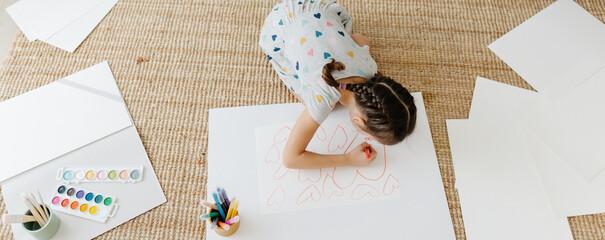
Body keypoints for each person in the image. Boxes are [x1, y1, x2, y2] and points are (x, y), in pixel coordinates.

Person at [259, 0, 416, 169]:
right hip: (279, 26)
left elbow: (363, 40)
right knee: (306, 98)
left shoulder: (370, 67)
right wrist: (348, 159)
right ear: (359, 121)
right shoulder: (322, 98)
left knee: (359, 42)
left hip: (314, 6)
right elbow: (290, 159)